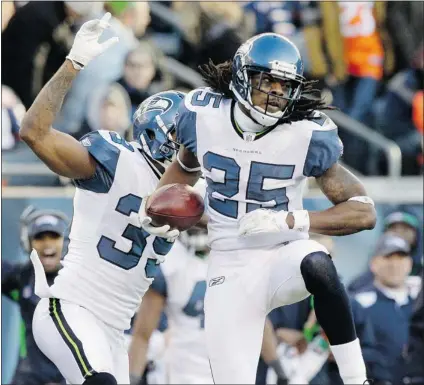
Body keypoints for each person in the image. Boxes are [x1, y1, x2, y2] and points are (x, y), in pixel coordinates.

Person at [139, 32, 377, 384]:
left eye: (285, 86)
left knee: (318, 264)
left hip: (282, 254)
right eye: (268, 81)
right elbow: (186, 169)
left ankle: (357, 378)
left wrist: (290, 220)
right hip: (229, 267)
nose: (277, 93)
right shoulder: (201, 117)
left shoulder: (306, 133)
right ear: (242, 76)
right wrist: (154, 205)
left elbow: (364, 211)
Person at [19, 13, 184, 385]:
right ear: (166, 137)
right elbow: (33, 132)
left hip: (113, 331)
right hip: (72, 308)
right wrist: (73, 64)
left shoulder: (190, 192)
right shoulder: (117, 159)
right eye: (189, 138)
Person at [2, 206, 69, 385]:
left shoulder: (80, 282)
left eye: (54, 236)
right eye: (40, 237)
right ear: (28, 243)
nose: (47, 243)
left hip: (71, 376)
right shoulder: (21, 278)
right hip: (29, 377)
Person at [354, 234, 416, 385]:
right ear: (373, 263)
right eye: (388, 257)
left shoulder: (418, 303)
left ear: (409, 263)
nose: (395, 264)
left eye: (400, 257)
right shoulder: (358, 303)